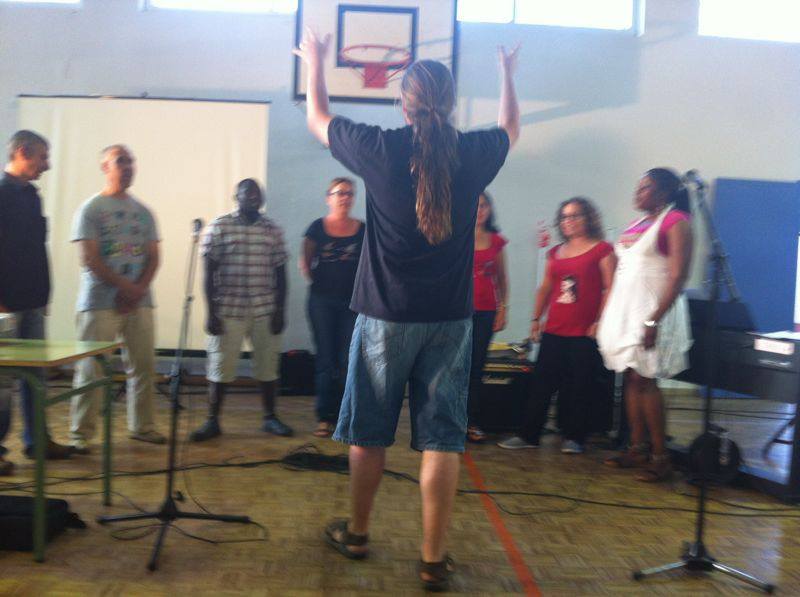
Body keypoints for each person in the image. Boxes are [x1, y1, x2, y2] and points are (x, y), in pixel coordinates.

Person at [294, 30, 519, 591]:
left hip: (385, 317)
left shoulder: (379, 148)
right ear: (451, 103)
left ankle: (358, 534)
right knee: (442, 439)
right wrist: (508, 76)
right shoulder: (473, 154)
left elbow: (317, 117)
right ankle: (432, 559)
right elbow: (511, 129)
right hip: (450, 321)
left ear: (404, 102)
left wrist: (316, 62)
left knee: (369, 434)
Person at [498, 197, 615, 454]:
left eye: (575, 215)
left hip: (584, 330)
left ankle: (575, 437)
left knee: (579, 385)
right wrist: (535, 319)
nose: (568, 221)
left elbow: (610, 288)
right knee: (541, 383)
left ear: (588, 218)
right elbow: (546, 287)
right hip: (555, 328)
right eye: (564, 217)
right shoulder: (555, 253)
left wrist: (600, 321)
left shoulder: (602, 250)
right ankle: (529, 434)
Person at [597, 168, 693, 482]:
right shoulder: (637, 224)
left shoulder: (675, 221)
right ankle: (636, 447)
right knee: (631, 378)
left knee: (645, 380)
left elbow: (678, 276)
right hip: (627, 311)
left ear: (664, 192)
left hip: (653, 311)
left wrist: (654, 319)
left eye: (645, 188)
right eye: (638, 187)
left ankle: (660, 456)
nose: (638, 193)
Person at [69, 145, 165, 452]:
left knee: (143, 367)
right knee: (92, 369)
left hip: (140, 301)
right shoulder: (91, 209)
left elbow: (154, 257)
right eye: (120, 161)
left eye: (131, 161)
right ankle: (81, 435)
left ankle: (143, 427)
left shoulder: (144, 212)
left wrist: (137, 290)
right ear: (105, 167)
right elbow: (90, 258)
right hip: (99, 302)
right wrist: (125, 287)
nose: (128, 166)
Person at [190, 178, 293, 442]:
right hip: (228, 310)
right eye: (248, 194)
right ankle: (212, 421)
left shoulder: (273, 230)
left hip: (265, 309)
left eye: (258, 194)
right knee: (220, 367)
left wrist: (280, 311)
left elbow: (281, 274)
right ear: (236, 198)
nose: (254, 198)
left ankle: (270, 418)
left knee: (268, 367)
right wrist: (211, 312)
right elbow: (208, 274)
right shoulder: (219, 226)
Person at [0, 130, 73, 475]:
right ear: (22, 152)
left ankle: (38, 440)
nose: (47, 165)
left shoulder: (31, 196)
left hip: (32, 300)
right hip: (4, 305)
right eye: (43, 157)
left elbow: (35, 248)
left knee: (36, 376)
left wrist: (44, 293)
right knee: (2, 383)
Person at [300, 177, 365, 438]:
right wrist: (324, 286)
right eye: (340, 193)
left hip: (353, 304)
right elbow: (305, 264)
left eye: (349, 193)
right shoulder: (317, 227)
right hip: (322, 303)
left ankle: (346, 415)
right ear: (329, 197)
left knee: (348, 360)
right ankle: (325, 417)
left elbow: (370, 265)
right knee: (326, 360)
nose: (345, 197)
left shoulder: (363, 229)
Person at [466, 191, 508, 443]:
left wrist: (503, 308)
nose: (480, 210)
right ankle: (449, 420)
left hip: (485, 312)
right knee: (454, 367)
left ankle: (471, 421)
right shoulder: (457, 237)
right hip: (457, 313)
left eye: (484, 205)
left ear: (489, 209)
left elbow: (502, 279)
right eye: (475, 205)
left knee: (476, 367)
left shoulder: (496, 241)